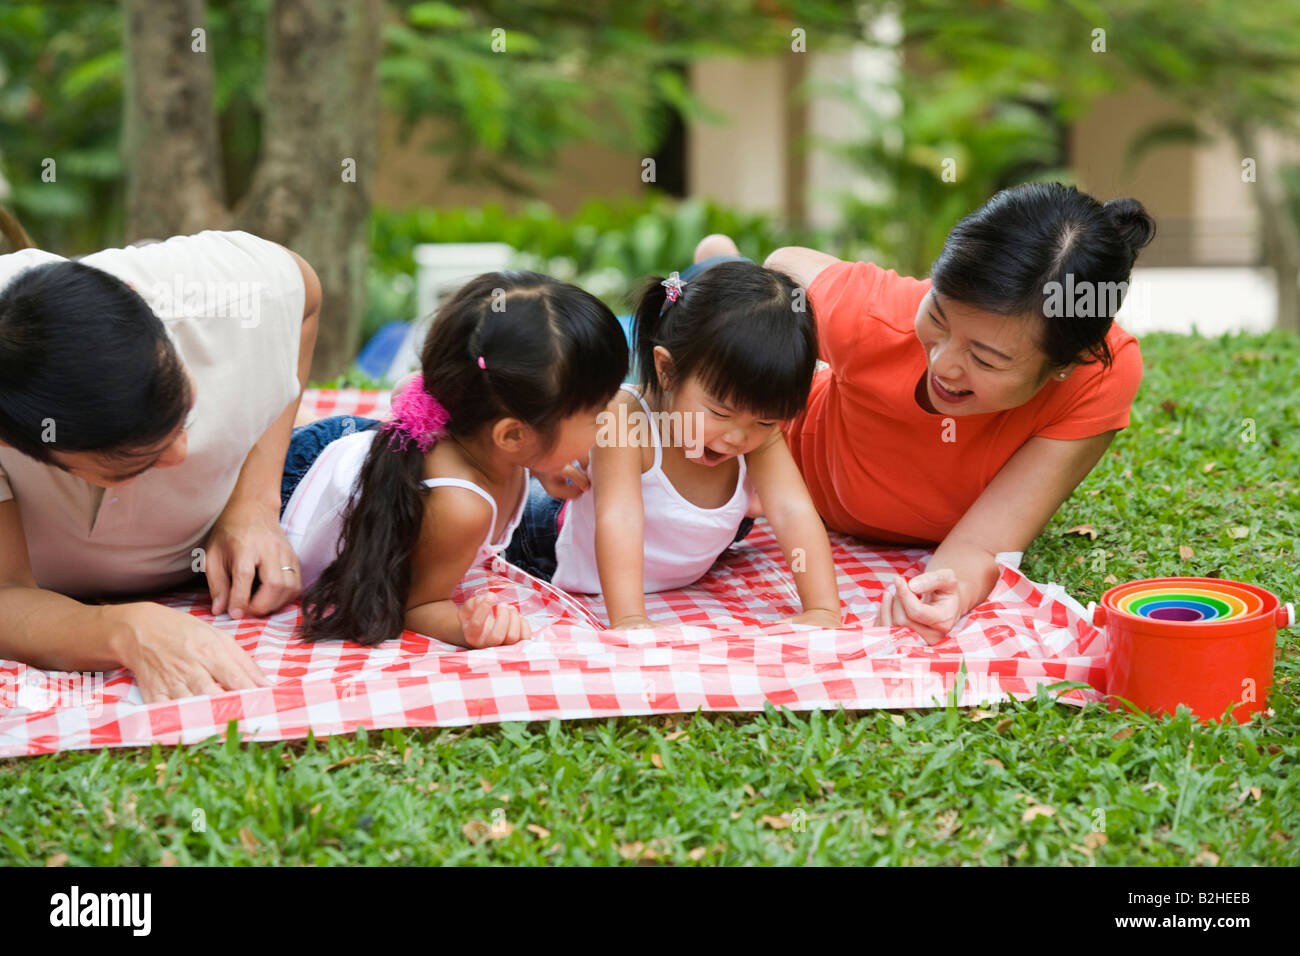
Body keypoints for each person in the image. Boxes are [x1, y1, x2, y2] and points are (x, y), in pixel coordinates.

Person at [706, 182, 1151, 644]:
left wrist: (943, 592)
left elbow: (984, 541)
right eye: (937, 317)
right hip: (791, 468)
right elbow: (783, 264)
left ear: (1065, 363)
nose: (944, 364)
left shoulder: (1098, 376)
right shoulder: (873, 314)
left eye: (986, 359)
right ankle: (717, 260)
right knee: (722, 312)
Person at [0, 231, 319, 703]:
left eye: (184, 408)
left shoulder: (226, 292)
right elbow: (6, 593)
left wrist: (252, 503)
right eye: (135, 464)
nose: (181, 453)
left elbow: (302, 297)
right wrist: (122, 628)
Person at [285, 271, 628, 648]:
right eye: (597, 412)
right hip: (292, 485)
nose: (609, 418)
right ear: (513, 435)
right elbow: (418, 604)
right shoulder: (463, 508)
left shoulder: (486, 430)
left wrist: (541, 460)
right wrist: (470, 628)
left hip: (348, 444)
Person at [506, 260, 842, 631]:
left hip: (676, 543)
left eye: (764, 420)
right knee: (509, 499)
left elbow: (794, 511)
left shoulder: (755, 433)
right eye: (719, 412)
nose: (738, 437)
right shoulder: (626, 418)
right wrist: (631, 619)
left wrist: (822, 609)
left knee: (757, 502)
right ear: (666, 370)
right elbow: (619, 517)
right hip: (550, 541)